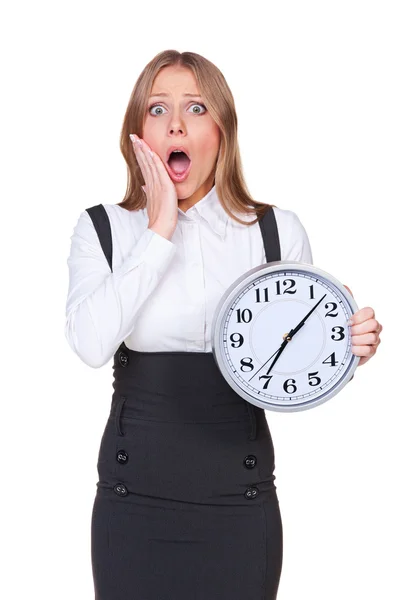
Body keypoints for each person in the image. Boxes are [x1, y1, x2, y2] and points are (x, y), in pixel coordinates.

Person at [64, 50, 383, 600]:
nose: (177, 124)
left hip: (241, 503)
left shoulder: (276, 232)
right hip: (133, 501)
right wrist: (160, 229)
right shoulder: (105, 230)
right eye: (158, 109)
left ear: (223, 129)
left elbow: (298, 371)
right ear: (138, 132)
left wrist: (348, 351)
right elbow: (91, 345)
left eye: (196, 107)